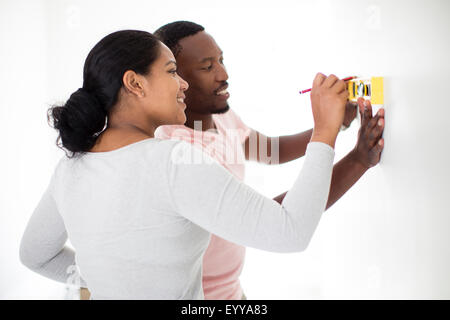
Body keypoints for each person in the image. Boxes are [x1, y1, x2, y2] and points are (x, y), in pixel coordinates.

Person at [19, 29, 364, 300]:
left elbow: (36, 256)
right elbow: (290, 232)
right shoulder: (173, 160)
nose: (182, 82)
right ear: (135, 83)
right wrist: (324, 132)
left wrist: (113, 282)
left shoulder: (71, 168)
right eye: (172, 72)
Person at [151, 21, 385, 299]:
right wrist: (356, 158)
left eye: (221, 60)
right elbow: (272, 221)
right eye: (207, 66)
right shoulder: (180, 151)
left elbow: (270, 150)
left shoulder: (218, 116)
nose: (224, 74)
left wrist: (338, 122)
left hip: (233, 293)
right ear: (176, 80)